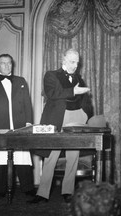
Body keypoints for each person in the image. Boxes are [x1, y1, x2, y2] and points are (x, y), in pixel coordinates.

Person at [28, 48, 93, 204]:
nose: (75, 65)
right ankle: (42, 193)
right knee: (52, 155)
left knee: (73, 155)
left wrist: (86, 115)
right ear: (63, 60)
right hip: (58, 118)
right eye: (72, 62)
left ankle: (67, 191)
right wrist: (73, 91)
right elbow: (52, 93)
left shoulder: (79, 78)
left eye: (77, 62)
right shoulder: (51, 75)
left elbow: (84, 100)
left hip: (77, 116)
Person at [0, 54, 35, 198]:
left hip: (19, 124)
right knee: (0, 156)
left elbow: (27, 103)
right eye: (3, 63)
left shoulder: (21, 81)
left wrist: (29, 122)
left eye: (9, 63)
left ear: (12, 64)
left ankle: (28, 188)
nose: (6, 66)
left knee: (22, 154)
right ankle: (1, 189)